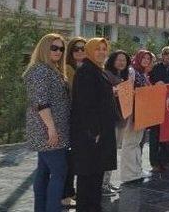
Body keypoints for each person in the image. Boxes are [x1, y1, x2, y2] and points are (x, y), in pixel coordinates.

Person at [23, 33, 70, 212]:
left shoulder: (52, 69)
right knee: (59, 172)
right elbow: (41, 103)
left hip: (54, 129)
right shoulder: (39, 70)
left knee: (43, 172)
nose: (58, 51)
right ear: (44, 48)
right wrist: (51, 129)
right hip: (48, 130)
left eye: (61, 48)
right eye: (54, 47)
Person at [71, 38, 117, 212]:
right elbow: (85, 104)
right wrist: (94, 130)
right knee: (87, 176)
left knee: (95, 174)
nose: (102, 52)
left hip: (99, 132)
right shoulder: (86, 71)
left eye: (104, 49)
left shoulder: (98, 70)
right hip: (90, 134)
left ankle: (93, 207)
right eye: (97, 49)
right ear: (90, 51)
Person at [116, 50, 152, 185]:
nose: (146, 60)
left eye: (148, 58)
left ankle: (136, 170)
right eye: (144, 58)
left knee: (137, 142)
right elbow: (127, 90)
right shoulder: (132, 71)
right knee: (130, 143)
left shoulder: (143, 73)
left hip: (141, 111)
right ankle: (128, 174)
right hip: (132, 112)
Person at [101, 50, 131, 195]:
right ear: (112, 60)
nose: (121, 62)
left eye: (124, 60)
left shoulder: (123, 77)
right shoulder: (106, 75)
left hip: (121, 119)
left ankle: (107, 182)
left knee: (113, 153)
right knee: (108, 153)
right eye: (119, 59)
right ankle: (102, 185)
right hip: (110, 120)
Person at [62, 37, 86, 208]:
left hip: (83, 120)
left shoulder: (85, 68)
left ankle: (72, 191)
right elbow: (75, 95)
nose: (80, 51)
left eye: (83, 48)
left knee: (78, 158)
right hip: (71, 119)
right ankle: (66, 194)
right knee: (70, 159)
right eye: (76, 49)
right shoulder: (69, 69)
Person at [149, 46, 169, 171]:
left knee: (167, 134)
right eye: (166, 54)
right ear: (162, 55)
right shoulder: (155, 68)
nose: (168, 56)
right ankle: (155, 162)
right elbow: (149, 84)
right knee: (155, 136)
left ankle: (166, 160)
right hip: (156, 105)